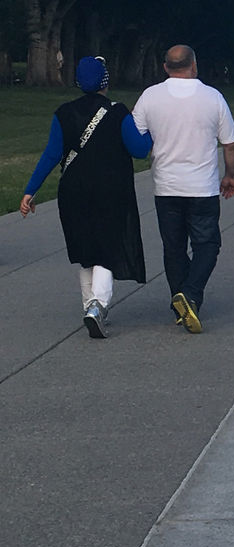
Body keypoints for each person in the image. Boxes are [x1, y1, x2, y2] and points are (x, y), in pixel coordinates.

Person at [19, 57, 151, 338]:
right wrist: (149, 131)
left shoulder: (63, 113)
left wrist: (31, 190)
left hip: (73, 190)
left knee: (85, 249)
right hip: (111, 188)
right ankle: (97, 306)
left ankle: (89, 307)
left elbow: (51, 155)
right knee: (108, 245)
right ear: (105, 80)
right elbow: (139, 150)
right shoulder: (117, 113)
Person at [131, 45, 234, 334]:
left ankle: (181, 299)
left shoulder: (150, 97)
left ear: (166, 67)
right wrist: (230, 175)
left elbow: (135, 138)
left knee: (174, 247)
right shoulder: (212, 97)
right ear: (194, 64)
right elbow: (229, 142)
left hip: (166, 185)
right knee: (208, 245)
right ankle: (190, 295)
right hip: (201, 186)